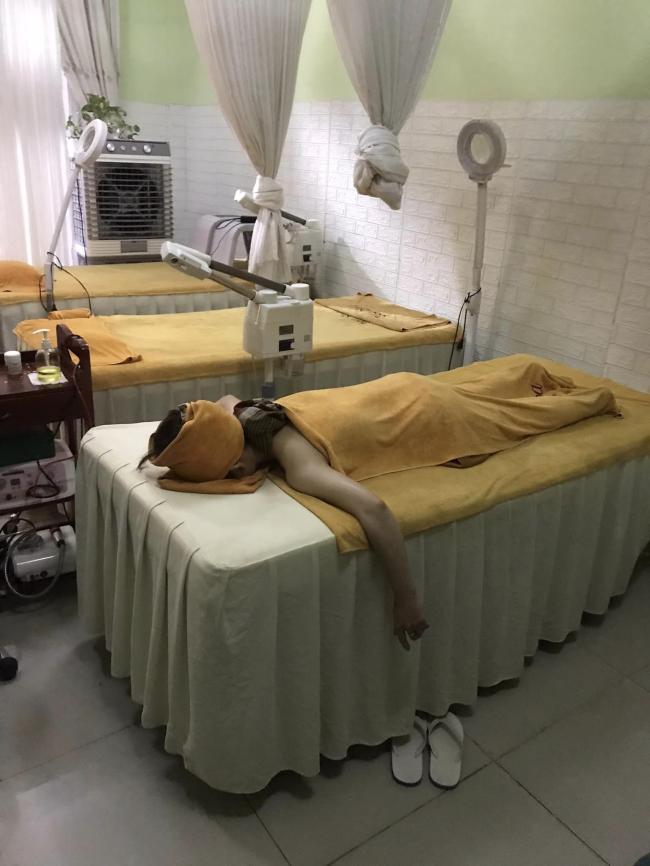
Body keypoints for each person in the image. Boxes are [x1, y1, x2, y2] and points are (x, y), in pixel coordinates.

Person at [138, 395, 429, 651]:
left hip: (414, 413)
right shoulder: (239, 412)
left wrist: (406, 598)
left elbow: (374, 509)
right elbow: (223, 401)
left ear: (238, 469)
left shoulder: (301, 467)